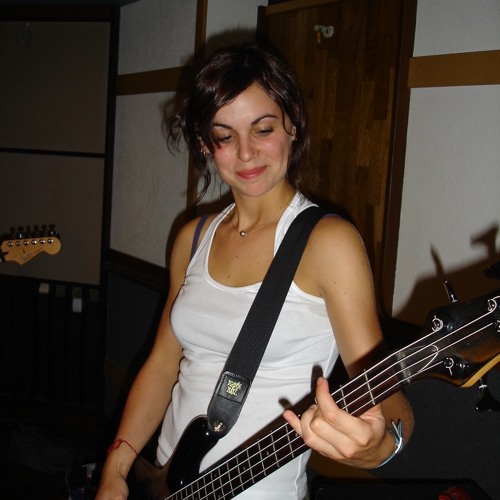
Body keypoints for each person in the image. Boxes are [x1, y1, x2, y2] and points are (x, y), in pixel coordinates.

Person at [96, 43, 413, 500]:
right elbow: (164, 364)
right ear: (205, 143)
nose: (246, 153)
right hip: (163, 485)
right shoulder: (192, 238)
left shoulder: (328, 242)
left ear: (292, 124)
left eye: (262, 129)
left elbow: (388, 395)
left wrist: (380, 445)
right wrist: (117, 466)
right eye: (225, 137)